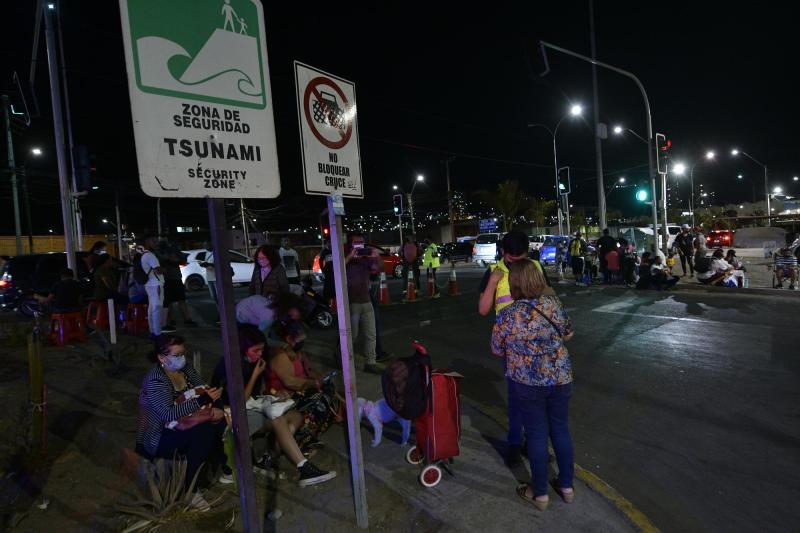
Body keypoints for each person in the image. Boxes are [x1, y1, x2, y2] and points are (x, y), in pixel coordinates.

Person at [491, 259, 575, 511]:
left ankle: (539, 494)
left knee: (537, 433)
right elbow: (569, 333)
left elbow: (496, 349)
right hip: (560, 377)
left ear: (514, 284)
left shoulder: (508, 314)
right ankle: (567, 486)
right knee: (560, 430)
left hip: (527, 382)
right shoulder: (553, 304)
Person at [210, 325, 336, 486]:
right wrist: (255, 375)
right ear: (242, 348)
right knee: (278, 419)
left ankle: (268, 459)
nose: (260, 354)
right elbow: (238, 401)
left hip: (249, 409)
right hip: (230, 416)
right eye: (255, 350)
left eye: (261, 350)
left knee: (296, 417)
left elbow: (258, 392)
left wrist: (274, 393)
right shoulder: (231, 366)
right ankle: (304, 468)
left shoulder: (253, 360)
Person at [135, 334, 226, 511]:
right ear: (162, 358)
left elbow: (201, 388)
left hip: (186, 421)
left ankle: (225, 466)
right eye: (176, 355)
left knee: (218, 414)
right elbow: (167, 414)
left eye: (183, 353)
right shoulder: (156, 379)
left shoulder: (185, 369)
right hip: (160, 434)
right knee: (204, 432)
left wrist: (211, 401)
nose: (182, 358)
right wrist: (202, 403)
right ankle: (190, 490)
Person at [478, 230, 542, 467]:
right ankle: (515, 445)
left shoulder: (535, 266)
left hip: (538, 346)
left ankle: (533, 444)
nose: (517, 265)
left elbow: (549, 301)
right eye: (513, 261)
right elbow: (483, 309)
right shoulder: (494, 272)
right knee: (515, 399)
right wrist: (493, 282)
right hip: (511, 348)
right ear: (504, 253)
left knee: (537, 398)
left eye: (521, 259)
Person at [268, 320, 341, 450]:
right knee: (320, 400)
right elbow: (290, 382)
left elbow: (311, 372)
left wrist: (321, 380)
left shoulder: (299, 354)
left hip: (300, 393)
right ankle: (299, 439)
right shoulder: (281, 356)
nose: (302, 344)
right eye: (300, 340)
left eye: (303, 340)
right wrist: (313, 383)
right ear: (289, 339)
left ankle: (306, 435)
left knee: (329, 391)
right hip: (285, 397)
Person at [344, 233, 384, 373]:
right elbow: (337, 270)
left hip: (366, 301)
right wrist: (350, 256)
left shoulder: (365, 259)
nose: (359, 244)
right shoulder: (347, 259)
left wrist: (376, 256)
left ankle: (370, 362)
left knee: (371, 334)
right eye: (356, 242)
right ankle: (341, 356)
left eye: (361, 242)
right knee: (351, 335)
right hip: (352, 303)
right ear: (350, 244)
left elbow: (378, 268)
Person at [161, 244, 197, 329]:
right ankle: (174, 319)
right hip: (167, 279)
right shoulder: (162, 249)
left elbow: (182, 260)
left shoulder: (173, 248)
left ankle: (185, 319)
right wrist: (172, 260)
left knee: (179, 300)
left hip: (174, 278)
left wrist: (171, 260)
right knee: (169, 301)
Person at [141, 235, 171, 336]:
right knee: (156, 308)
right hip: (155, 284)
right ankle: (157, 333)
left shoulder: (144, 255)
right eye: (153, 240)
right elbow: (158, 270)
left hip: (149, 284)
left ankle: (153, 330)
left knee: (152, 307)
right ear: (147, 242)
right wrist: (165, 269)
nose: (156, 243)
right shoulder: (150, 255)